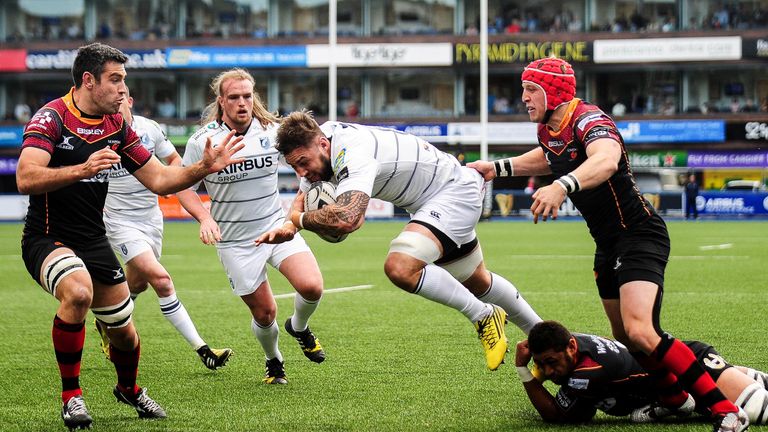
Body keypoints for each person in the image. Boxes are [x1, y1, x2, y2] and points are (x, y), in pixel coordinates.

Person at [467, 57, 747, 431]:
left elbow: (606, 161)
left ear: (554, 91)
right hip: (607, 243)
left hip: (638, 232)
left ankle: (726, 411)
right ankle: (675, 400)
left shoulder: (590, 120)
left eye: (531, 89)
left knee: (641, 331)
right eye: (524, 89)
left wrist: (562, 186)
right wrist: (498, 168)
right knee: (626, 337)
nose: (523, 98)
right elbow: (550, 157)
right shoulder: (550, 130)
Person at [16, 42, 244, 431]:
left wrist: (203, 167)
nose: (123, 90)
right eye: (116, 80)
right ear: (88, 81)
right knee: (78, 292)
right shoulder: (51, 118)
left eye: (125, 81)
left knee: (124, 330)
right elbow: (25, 177)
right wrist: (81, 169)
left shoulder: (117, 126)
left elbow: (160, 179)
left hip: (93, 240)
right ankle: (71, 397)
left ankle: (129, 388)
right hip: (47, 236)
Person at [255, 110, 543, 371]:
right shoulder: (323, 147)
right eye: (295, 167)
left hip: (453, 192)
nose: (302, 173)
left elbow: (347, 219)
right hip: (437, 198)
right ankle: (544, 338)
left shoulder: (351, 151)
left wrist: (299, 221)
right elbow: (306, 205)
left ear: (322, 144)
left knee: (400, 266)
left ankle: (482, 315)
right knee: (478, 281)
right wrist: (288, 227)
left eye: (303, 163)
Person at [177, 68, 326, 385]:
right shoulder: (202, 141)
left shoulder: (273, 132)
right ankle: (274, 361)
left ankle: (298, 326)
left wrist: (302, 201)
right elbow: (182, 186)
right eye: (234, 97)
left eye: (247, 96)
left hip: (276, 227)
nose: (242, 103)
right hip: (235, 242)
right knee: (264, 314)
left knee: (312, 286)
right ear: (222, 101)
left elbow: (303, 162)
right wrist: (205, 217)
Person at [101, 87, 233, 370]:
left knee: (136, 284)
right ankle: (203, 349)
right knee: (161, 281)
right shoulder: (98, 134)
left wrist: (167, 180)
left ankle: (106, 320)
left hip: (151, 218)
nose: (116, 103)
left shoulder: (149, 129)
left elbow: (175, 160)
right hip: (119, 221)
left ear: (130, 102)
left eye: (121, 98)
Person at [514, 320, 768, 425]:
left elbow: (558, 415)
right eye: (541, 364)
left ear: (570, 347)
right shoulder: (576, 343)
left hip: (692, 372)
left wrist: (522, 370)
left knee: (758, 409)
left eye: (550, 362)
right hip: (682, 364)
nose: (547, 371)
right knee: (760, 385)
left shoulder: (588, 374)